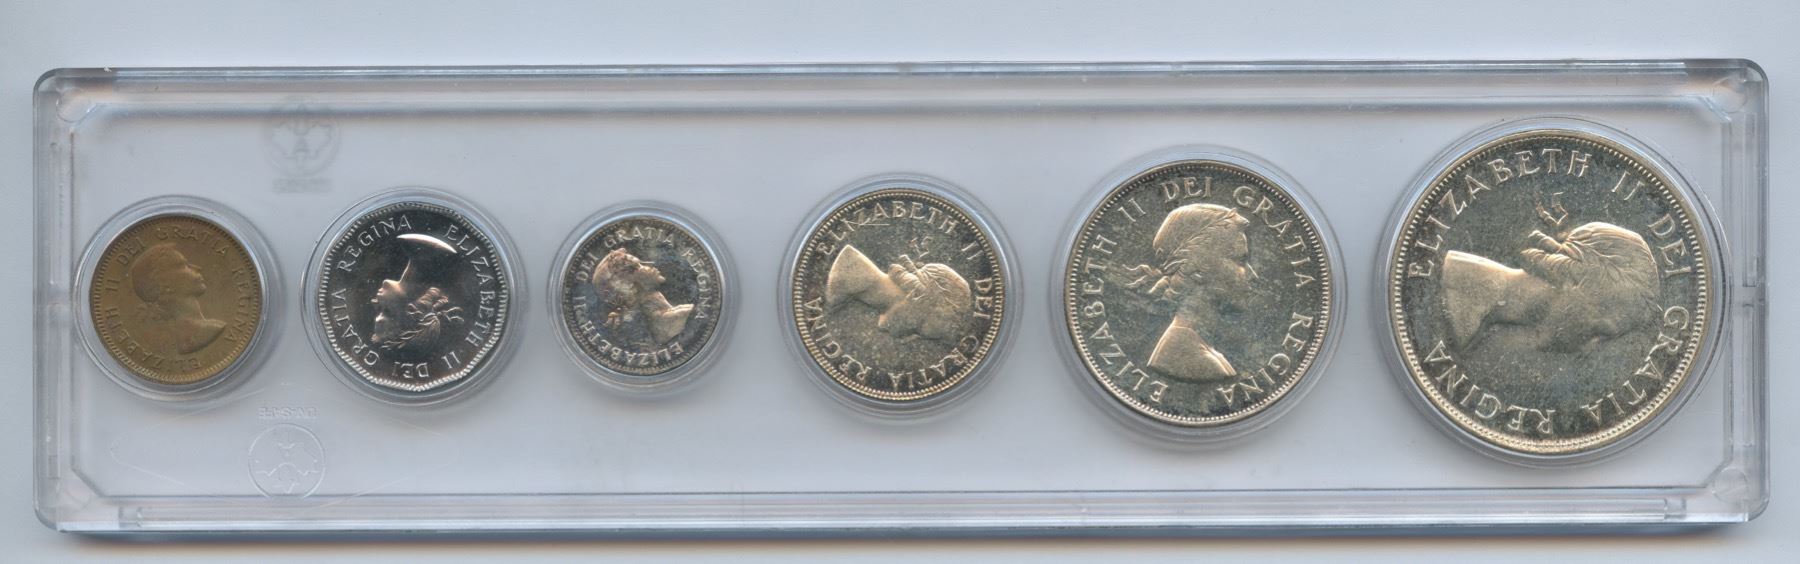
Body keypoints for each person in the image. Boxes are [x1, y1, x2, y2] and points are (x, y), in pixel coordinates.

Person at [1441, 222, 1660, 353]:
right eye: (1600, 331)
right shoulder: (1455, 293)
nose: (1590, 348)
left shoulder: (1475, 325)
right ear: (1571, 281)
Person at [1124, 204, 1258, 382]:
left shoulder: (1202, 348)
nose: (1253, 275)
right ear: (1197, 267)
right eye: (1240, 260)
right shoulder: (1189, 355)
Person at [825, 245, 973, 343]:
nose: (907, 338)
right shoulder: (842, 281)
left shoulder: (845, 285)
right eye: (919, 326)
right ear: (916, 294)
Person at [370, 234, 465, 354]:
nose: (385, 282)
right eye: (386, 311)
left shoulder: (404, 292)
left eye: (385, 311)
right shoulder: (411, 294)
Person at [129, 243, 226, 355]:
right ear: (164, 282)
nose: (197, 268)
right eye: (183, 265)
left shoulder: (212, 326)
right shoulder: (211, 330)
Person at [590, 248, 694, 345]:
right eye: (638, 266)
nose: (650, 264)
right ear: (627, 282)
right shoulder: (681, 316)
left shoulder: (674, 314)